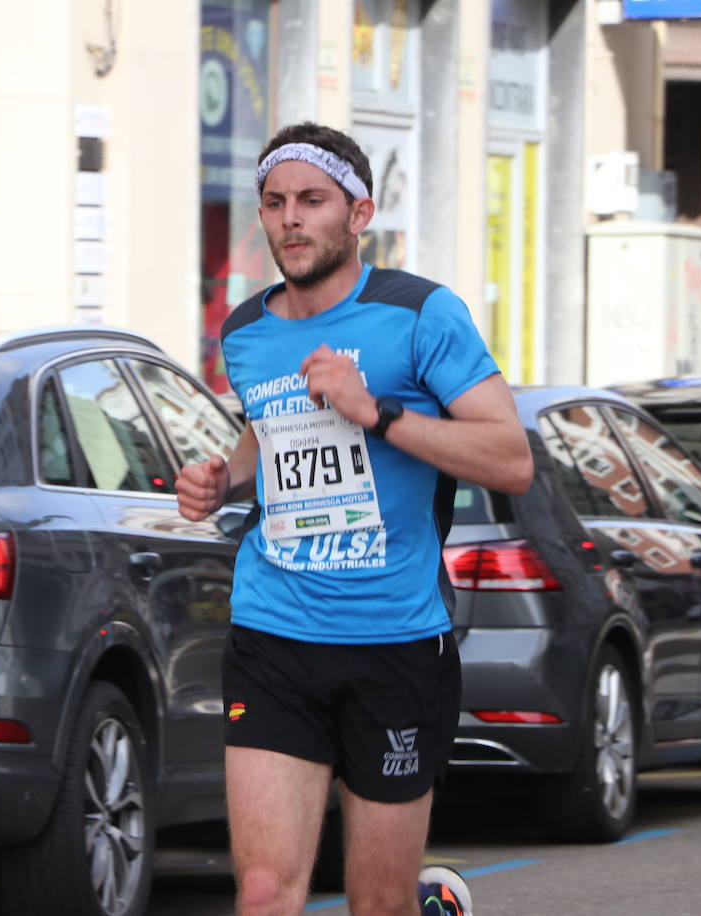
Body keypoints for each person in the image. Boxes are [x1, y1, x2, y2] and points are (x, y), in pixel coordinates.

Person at [177, 122, 533, 916]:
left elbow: (511, 458)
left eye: (312, 200)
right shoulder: (246, 331)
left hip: (394, 642)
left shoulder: (422, 315)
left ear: (359, 211)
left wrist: (374, 411)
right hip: (273, 633)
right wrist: (224, 479)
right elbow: (268, 428)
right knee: (266, 892)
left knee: (377, 902)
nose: (291, 220)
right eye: (274, 203)